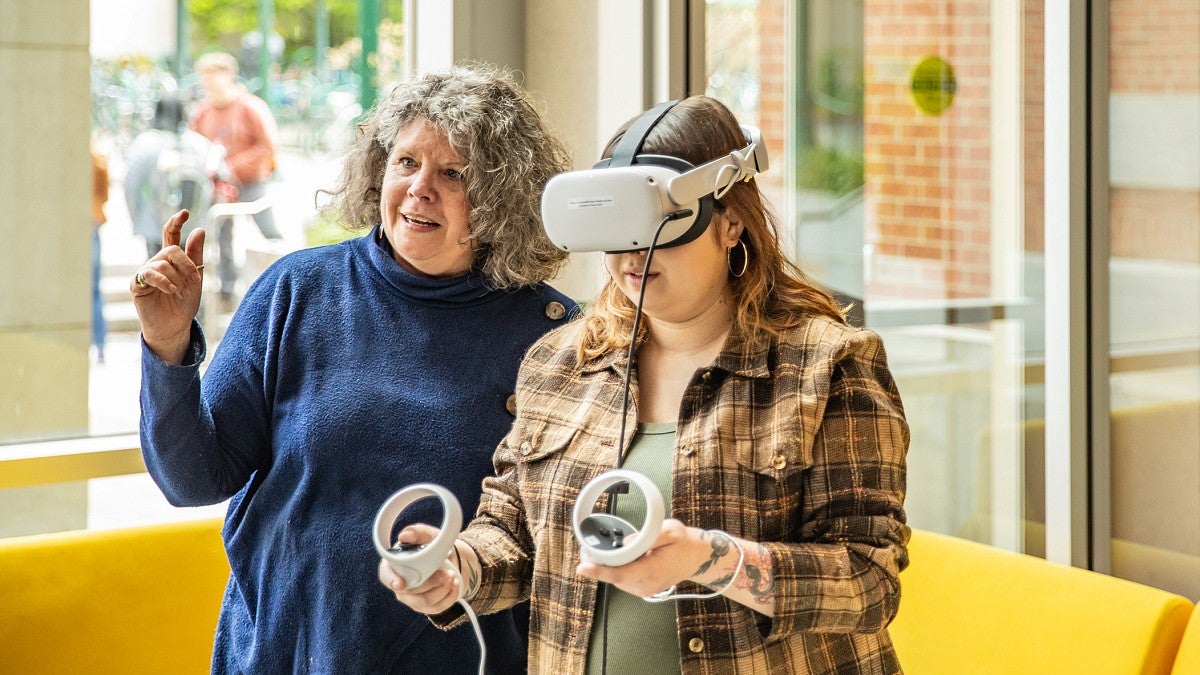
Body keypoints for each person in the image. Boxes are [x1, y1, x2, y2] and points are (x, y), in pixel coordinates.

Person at [381, 96, 911, 673]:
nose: (633, 252)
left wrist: (710, 560)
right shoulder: (561, 362)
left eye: (657, 224)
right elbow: (515, 531)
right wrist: (458, 567)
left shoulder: (827, 366)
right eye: (617, 227)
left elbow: (869, 582)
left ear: (731, 221)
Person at [129, 64, 578, 673]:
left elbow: (548, 536)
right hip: (282, 652)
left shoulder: (552, 333)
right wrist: (167, 343)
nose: (421, 187)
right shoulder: (298, 291)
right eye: (406, 162)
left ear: (502, 197)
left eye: (454, 173)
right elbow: (192, 479)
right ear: (379, 168)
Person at [189, 51, 283, 309]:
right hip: (218, 185)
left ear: (228, 76)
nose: (209, 83)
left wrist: (234, 166)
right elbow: (194, 144)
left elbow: (268, 145)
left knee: (268, 230)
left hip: (251, 182)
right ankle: (227, 290)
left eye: (214, 77)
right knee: (221, 236)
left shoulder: (250, 108)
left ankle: (284, 280)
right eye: (205, 78)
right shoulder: (202, 112)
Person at [124, 93, 230, 258]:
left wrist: (136, 219)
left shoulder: (144, 144)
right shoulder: (199, 143)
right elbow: (222, 174)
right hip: (192, 223)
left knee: (157, 269)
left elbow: (131, 184)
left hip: (154, 225)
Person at [91, 143, 110, 363]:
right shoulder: (94, 157)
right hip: (92, 221)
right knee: (95, 292)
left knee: (93, 291)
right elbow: (104, 192)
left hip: (82, 225)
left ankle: (99, 344)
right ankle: (100, 346)